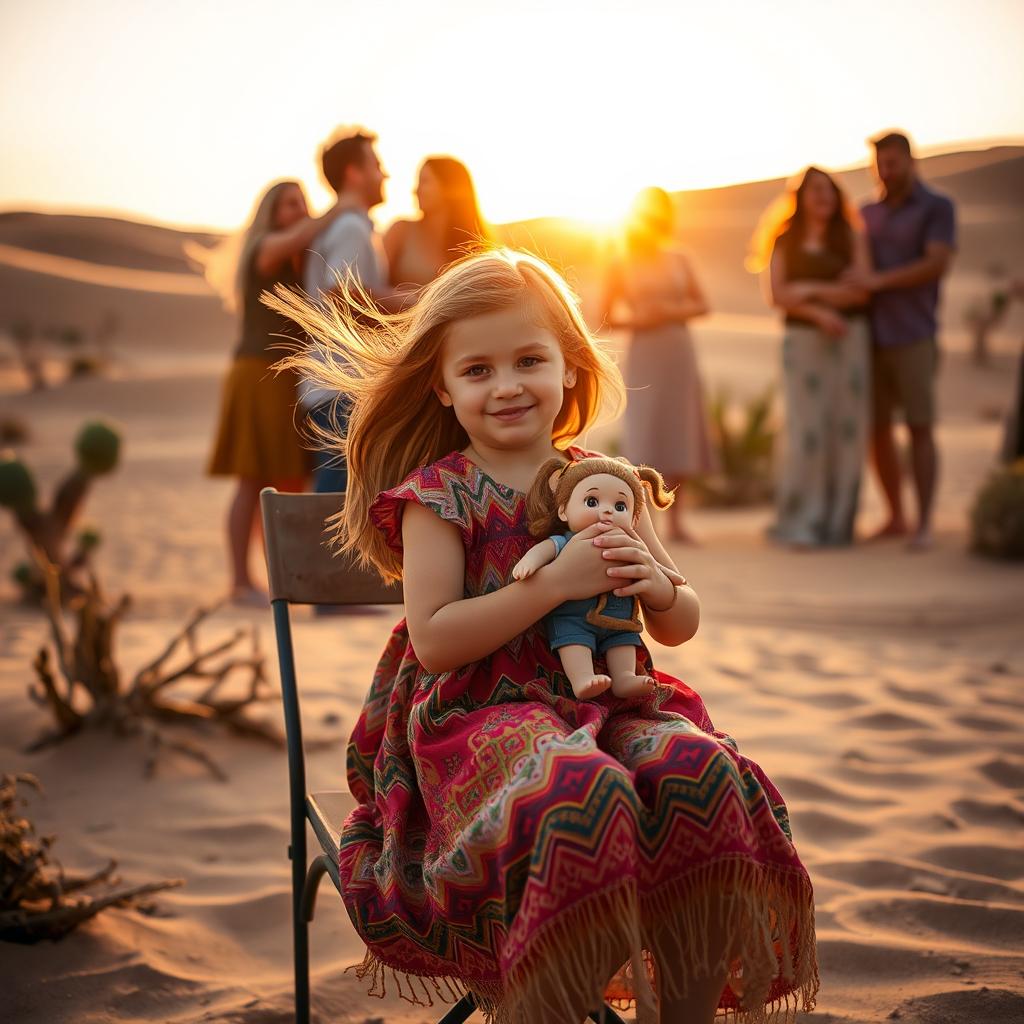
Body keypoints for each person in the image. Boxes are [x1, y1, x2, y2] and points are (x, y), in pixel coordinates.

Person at [272, 249, 818, 1024]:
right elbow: (434, 641)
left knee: (700, 772)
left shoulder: (604, 480)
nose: (507, 386)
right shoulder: (439, 496)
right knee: (577, 794)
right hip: (472, 718)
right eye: (478, 370)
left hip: (608, 703)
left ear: (570, 367)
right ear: (442, 385)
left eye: (529, 360)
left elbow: (680, 619)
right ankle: (548, 1001)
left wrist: (654, 583)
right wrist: (554, 586)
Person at [201, 179, 350, 605]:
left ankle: (274, 579)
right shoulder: (265, 248)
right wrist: (339, 210)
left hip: (283, 377)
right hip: (257, 374)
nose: (298, 211)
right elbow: (302, 235)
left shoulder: (295, 259)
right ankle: (239, 582)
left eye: (302, 204)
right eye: (289, 204)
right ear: (269, 212)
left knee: (281, 480)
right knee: (252, 479)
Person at [846, 131, 957, 550]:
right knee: (877, 429)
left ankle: (925, 522)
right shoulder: (866, 212)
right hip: (868, 339)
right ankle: (896, 516)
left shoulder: (937, 207)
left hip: (914, 334)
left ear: (911, 161)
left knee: (920, 427)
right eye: (880, 165)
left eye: (893, 163)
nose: (886, 172)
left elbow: (936, 263)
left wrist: (877, 282)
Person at [752, 167, 872, 547]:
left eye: (829, 190)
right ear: (800, 197)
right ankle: (803, 520)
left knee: (847, 429)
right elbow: (778, 295)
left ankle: (839, 524)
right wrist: (820, 309)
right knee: (807, 431)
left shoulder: (851, 237)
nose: (823, 197)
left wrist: (806, 290)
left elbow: (860, 292)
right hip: (803, 343)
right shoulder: (785, 240)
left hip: (849, 341)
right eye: (815, 190)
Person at [600, 187, 716, 543]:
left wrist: (670, 312)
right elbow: (604, 315)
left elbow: (703, 305)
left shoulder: (679, 257)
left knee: (679, 429)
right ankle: (641, 519)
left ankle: (677, 520)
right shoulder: (621, 260)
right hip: (645, 350)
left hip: (678, 349)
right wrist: (641, 321)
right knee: (646, 429)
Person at [301, 128, 396, 493]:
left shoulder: (348, 227)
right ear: (354, 174)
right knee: (336, 501)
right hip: (341, 383)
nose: (384, 174)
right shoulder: (351, 227)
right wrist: (417, 299)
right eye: (377, 165)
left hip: (334, 382)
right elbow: (342, 293)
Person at [384, 156, 491, 289]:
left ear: (448, 187)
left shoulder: (474, 245)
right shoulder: (401, 229)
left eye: (424, 182)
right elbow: (372, 287)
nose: (415, 190)